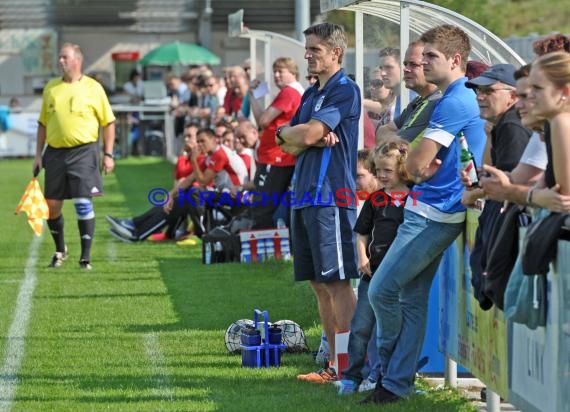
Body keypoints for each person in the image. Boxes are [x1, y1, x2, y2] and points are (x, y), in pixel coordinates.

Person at [364, 25, 486, 404]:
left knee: (382, 290)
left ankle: (386, 372)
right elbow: (410, 158)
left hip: (437, 211)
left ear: (454, 60)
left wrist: (409, 157)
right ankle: (395, 385)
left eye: (430, 56)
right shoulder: (450, 97)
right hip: (433, 207)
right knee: (411, 300)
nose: (422, 62)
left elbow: (414, 166)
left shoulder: (455, 99)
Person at [276, 22, 361, 383]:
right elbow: (286, 141)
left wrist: (305, 135)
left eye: (315, 49)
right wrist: (293, 135)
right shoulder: (311, 95)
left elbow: (308, 134)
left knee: (338, 283)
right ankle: (333, 365)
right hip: (304, 196)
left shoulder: (345, 90)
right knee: (317, 284)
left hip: (331, 197)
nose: (308, 55)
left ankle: (354, 366)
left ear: (336, 53)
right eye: (307, 49)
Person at [32, 42, 116, 270]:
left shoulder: (93, 87)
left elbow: (108, 122)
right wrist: (38, 155)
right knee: (51, 207)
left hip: (84, 151)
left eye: (64, 57)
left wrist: (108, 154)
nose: (60, 61)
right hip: (55, 153)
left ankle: (85, 257)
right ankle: (60, 250)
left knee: (82, 202)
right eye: (60, 57)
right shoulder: (51, 88)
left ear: (77, 60)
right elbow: (42, 124)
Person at [337, 141, 411, 395]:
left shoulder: (415, 197)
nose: (381, 175)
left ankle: (386, 376)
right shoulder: (376, 199)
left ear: (402, 169)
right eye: (378, 170)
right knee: (361, 327)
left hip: (402, 276)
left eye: (387, 171)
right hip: (373, 273)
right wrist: (362, 258)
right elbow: (361, 233)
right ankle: (351, 376)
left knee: (392, 331)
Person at [460, 63, 532, 310]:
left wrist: (477, 192)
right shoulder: (503, 124)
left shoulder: (513, 125)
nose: (480, 97)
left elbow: (510, 182)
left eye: (489, 91)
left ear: (513, 95)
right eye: (477, 91)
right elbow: (491, 173)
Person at [248, 57, 304, 228]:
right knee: (266, 202)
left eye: (281, 71)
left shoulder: (289, 92)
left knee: (263, 203)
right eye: (274, 72)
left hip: (277, 157)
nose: (276, 75)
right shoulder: (290, 92)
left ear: (293, 73)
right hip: (276, 156)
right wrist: (253, 96)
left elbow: (263, 121)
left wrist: (251, 95)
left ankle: (258, 244)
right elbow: (263, 121)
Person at [375, 40, 442, 147]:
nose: (406, 69)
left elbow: (399, 148)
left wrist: (393, 138)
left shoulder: (435, 102)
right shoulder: (418, 101)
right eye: (405, 64)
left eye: (414, 64)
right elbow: (381, 131)